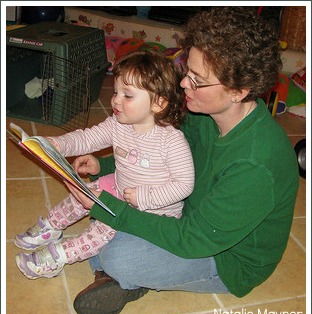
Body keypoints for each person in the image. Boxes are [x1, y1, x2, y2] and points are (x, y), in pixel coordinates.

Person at [63, 7, 300, 314]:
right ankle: (123, 277)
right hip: (187, 213)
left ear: (238, 91)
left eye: (197, 80)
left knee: (117, 253)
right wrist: (105, 168)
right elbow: (152, 153)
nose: (184, 84)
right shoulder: (202, 113)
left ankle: (122, 277)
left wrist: (110, 208)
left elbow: (194, 239)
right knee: (111, 223)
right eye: (186, 70)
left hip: (227, 258)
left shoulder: (256, 165)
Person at [14, 50, 195, 279]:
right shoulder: (118, 124)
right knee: (82, 193)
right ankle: (52, 226)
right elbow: (87, 138)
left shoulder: (172, 141)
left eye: (127, 95)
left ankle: (57, 257)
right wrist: (57, 144)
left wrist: (144, 197)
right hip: (119, 190)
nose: (116, 100)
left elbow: (184, 185)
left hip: (153, 211)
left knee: (101, 230)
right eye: (116, 91)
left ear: (158, 103)